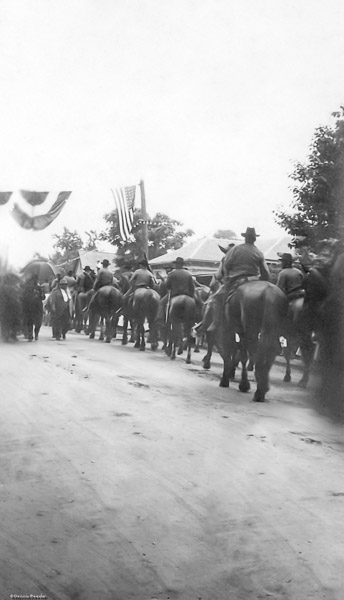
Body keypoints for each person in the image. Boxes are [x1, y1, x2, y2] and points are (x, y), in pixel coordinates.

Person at [205, 227, 270, 332]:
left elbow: (226, 265)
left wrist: (228, 278)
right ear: (254, 239)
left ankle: (216, 322)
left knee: (217, 298)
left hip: (237, 280)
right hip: (254, 280)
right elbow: (266, 273)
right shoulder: (259, 252)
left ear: (245, 238)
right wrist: (260, 279)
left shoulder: (236, 249)